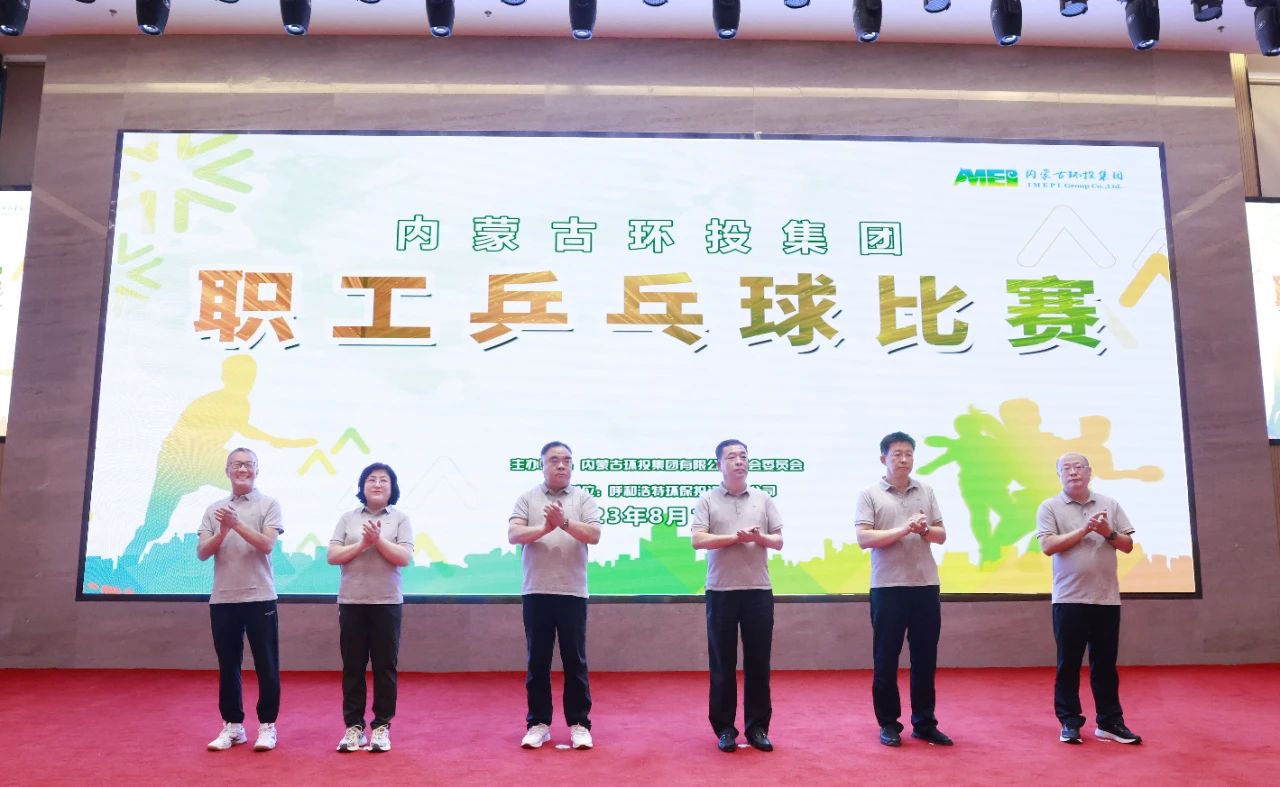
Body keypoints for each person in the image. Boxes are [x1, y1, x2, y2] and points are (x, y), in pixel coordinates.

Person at [854, 431, 952, 748]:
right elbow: (864, 539)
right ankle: (889, 723)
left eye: (909, 453)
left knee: (925, 658)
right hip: (888, 587)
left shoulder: (926, 490)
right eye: (897, 454)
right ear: (883, 458)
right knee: (886, 658)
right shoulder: (870, 494)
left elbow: (941, 535)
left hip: (925, 585)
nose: (904, 459)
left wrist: (924, 530)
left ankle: (924, 722)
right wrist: (903, 529)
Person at [1036, 452, 1142, 745]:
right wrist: (1084, 530)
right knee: (1068, 664)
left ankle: (1109, 722)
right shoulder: (1049, 506)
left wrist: (1108, 532)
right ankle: (1069, 722)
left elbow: (1128, 545)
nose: (1073, 472)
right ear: (1059, 474)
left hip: (1106, 598)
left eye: (1078, 467)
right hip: (1069, 599)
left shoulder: (1109, 504)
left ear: (1089, 472)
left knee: (1105, 665)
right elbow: (1048, 546)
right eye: (1067, 468)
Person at [690, 439, 784, 754]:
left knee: (758, 662)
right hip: (721, 591)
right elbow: (698, 540)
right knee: (722, 663)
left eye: (743, 456)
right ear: (719, 464)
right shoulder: (707, 499)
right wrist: (734, 538)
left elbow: (778, 541)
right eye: (732, 457)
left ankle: (757, 727)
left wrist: (758, 538)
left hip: (758, 591)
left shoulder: (763, 498)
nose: (739, 461)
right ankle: (725, 729)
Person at [507, 441, 601, 750]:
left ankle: (579, 724)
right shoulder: (527, 498)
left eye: (567, 460)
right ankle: (538, 723)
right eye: (554, 460)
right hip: (537, 591)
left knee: (575, 661)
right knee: (538, 661)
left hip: (573, 591)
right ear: (542, 465)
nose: (561, 465)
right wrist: (546, 528)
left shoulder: (583, 499)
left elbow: (594, 535)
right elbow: (514, 534)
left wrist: (564, 523)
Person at [197, 447, 284, 752]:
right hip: (223, 598)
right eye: (236, 464)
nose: (242, 469)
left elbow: (267, 544)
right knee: (228, 664)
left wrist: (237, 524)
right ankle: (233, 726)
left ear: (257, 470)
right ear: (227, 471)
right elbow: (202, 552)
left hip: (260, 596)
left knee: (266, 664)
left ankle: (267, 725)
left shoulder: (269, 504)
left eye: (248, 464)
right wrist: (223, 530)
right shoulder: (214, 509)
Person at [327, 463, 414, 753]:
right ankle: (353, 727)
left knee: (384, 666)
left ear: (392, 487)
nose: (377, 484)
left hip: (387, 603)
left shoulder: (400, 518)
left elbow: (404, 557)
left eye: (383, 480)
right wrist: (363, 544)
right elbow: (333, 555)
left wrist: (378, 541)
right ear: (362, 486)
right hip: (352, 602)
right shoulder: (348, 518)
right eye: (371, 480)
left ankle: (381, 727)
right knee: (353, 666)